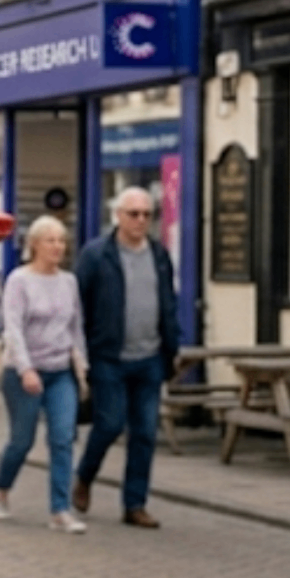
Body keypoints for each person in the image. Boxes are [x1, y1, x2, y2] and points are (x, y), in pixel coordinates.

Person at [72, 186, 180, 528]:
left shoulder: (160, 255)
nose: (141, 221)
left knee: (145, 432)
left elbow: (167, 302)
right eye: (133, 214)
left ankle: (135, 504)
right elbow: (78, 306)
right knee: (109, 424)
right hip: (109, 357)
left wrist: (171, 348)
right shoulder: (96, 255)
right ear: (117, 215)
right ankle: (85, 476)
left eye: (147, 214)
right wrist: (82, 352)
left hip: (150, 357)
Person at [0, 215, 87, 533]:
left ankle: (60, 510)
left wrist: (81, 367)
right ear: (34, 245)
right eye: (51, 240)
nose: (58, 246)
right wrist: (25, 368)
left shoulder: (69, 282)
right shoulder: (19, 280)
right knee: (22, 440)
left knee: (63, 438)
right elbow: (13, 329)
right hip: (23, 373)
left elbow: (76, 329)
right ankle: (2, 492)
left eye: (62, 240)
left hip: (60, 371)